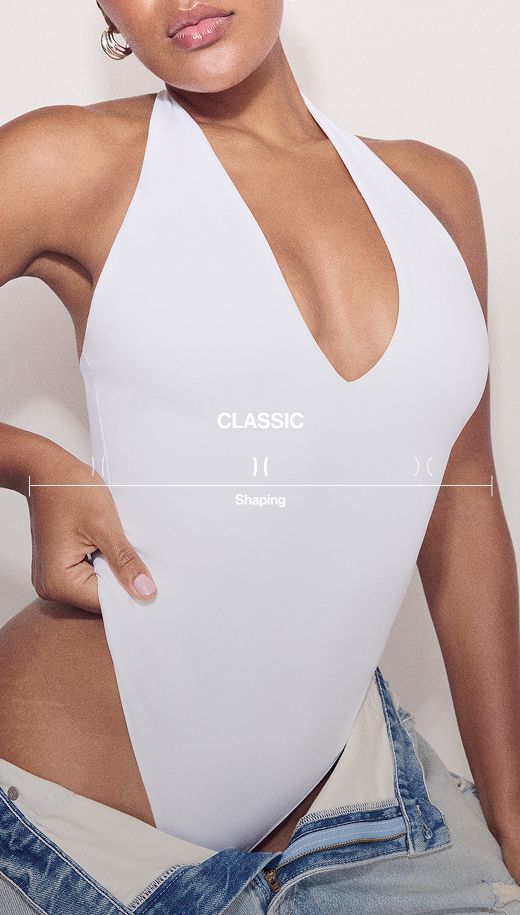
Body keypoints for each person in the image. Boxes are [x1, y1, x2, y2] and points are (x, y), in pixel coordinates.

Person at [1, 1, 520, 912]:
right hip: (64, 840)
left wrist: (513, 813)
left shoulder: (434, 192)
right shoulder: (65, 162)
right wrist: (28, 463)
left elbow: (463, 503)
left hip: (352, 809)